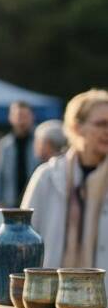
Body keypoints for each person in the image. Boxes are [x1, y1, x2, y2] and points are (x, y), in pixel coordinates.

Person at [22, 89, 108, 275]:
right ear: (77, 127)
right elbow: (23, 239)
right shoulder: (47, 176)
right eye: (101, 123)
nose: (106, 131)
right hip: (51, 296)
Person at [0, 100, 38, 207]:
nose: (21, 121)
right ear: (10, 118)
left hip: (35, 203)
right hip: (10, 204)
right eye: (18, 116)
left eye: (25, 116)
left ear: (32, 117)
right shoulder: (4, 145)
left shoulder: (40, 142)